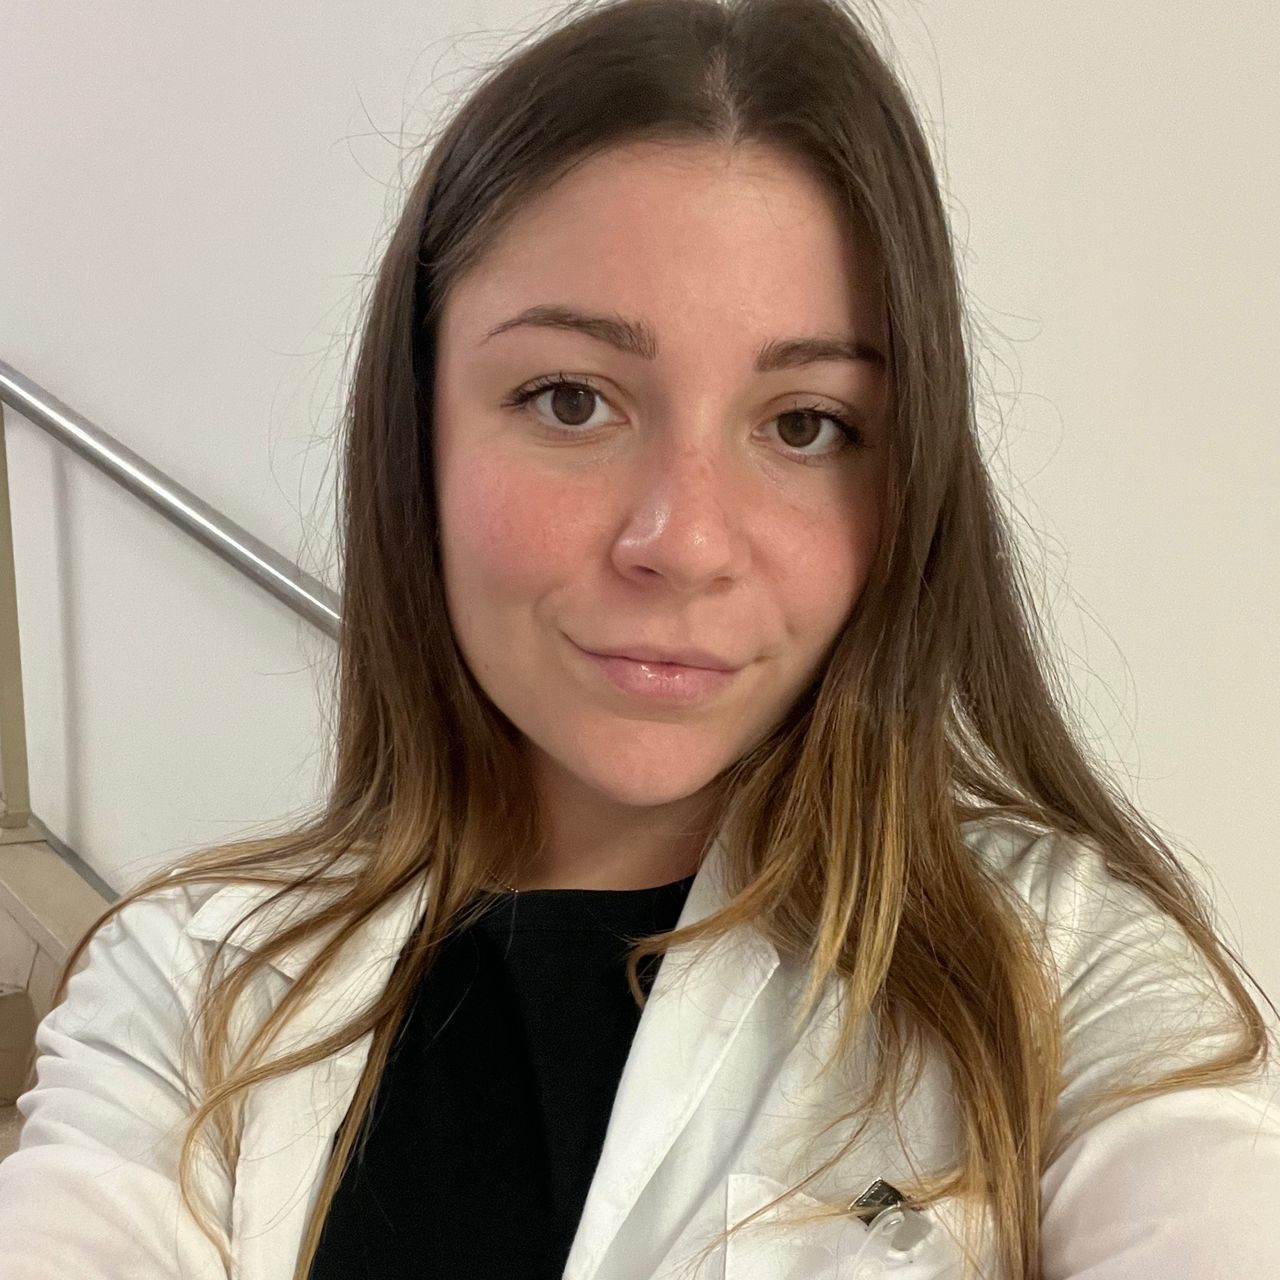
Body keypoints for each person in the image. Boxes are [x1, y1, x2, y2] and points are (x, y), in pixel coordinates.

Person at [2, 0, 1277, 1276]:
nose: (684, 539)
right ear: (417, 431)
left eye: (806, 424)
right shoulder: (189, 991)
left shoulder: (1065, 977)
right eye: (571, 399)